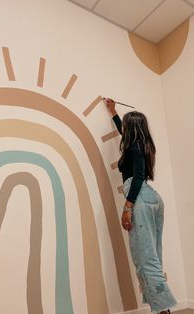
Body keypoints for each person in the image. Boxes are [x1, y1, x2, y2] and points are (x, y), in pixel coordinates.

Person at [104, 98, 177, 314]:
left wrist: (127, 207)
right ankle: (160, 308)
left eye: (126, 125)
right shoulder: (141, 145)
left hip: (139, 197)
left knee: (145, 260)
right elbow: (122, 130)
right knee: (154, 256)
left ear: (132, 128)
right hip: (152, 198)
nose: (123, 128)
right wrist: (113, 113)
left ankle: (163, 309)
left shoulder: (134, 147)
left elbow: (136, 178)